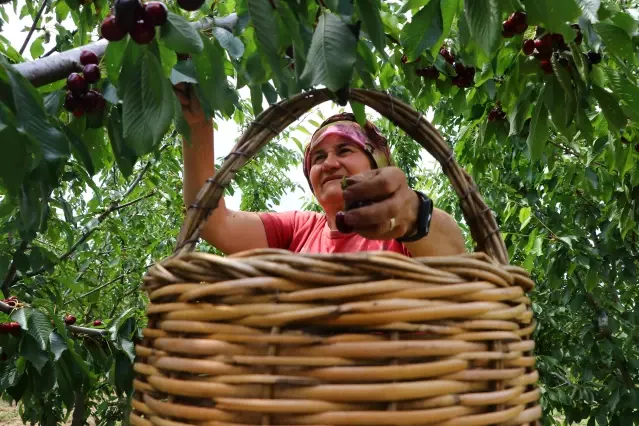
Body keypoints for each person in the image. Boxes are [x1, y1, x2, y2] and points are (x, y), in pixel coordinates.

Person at [176, 84, 466, 257]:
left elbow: (454, 259)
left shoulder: (399, 226)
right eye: (317, 157)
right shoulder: (298, 230)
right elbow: (212, 220)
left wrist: (414, 215)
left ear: (376, 162)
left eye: (345, 150)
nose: (328, 164)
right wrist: (197, 124)